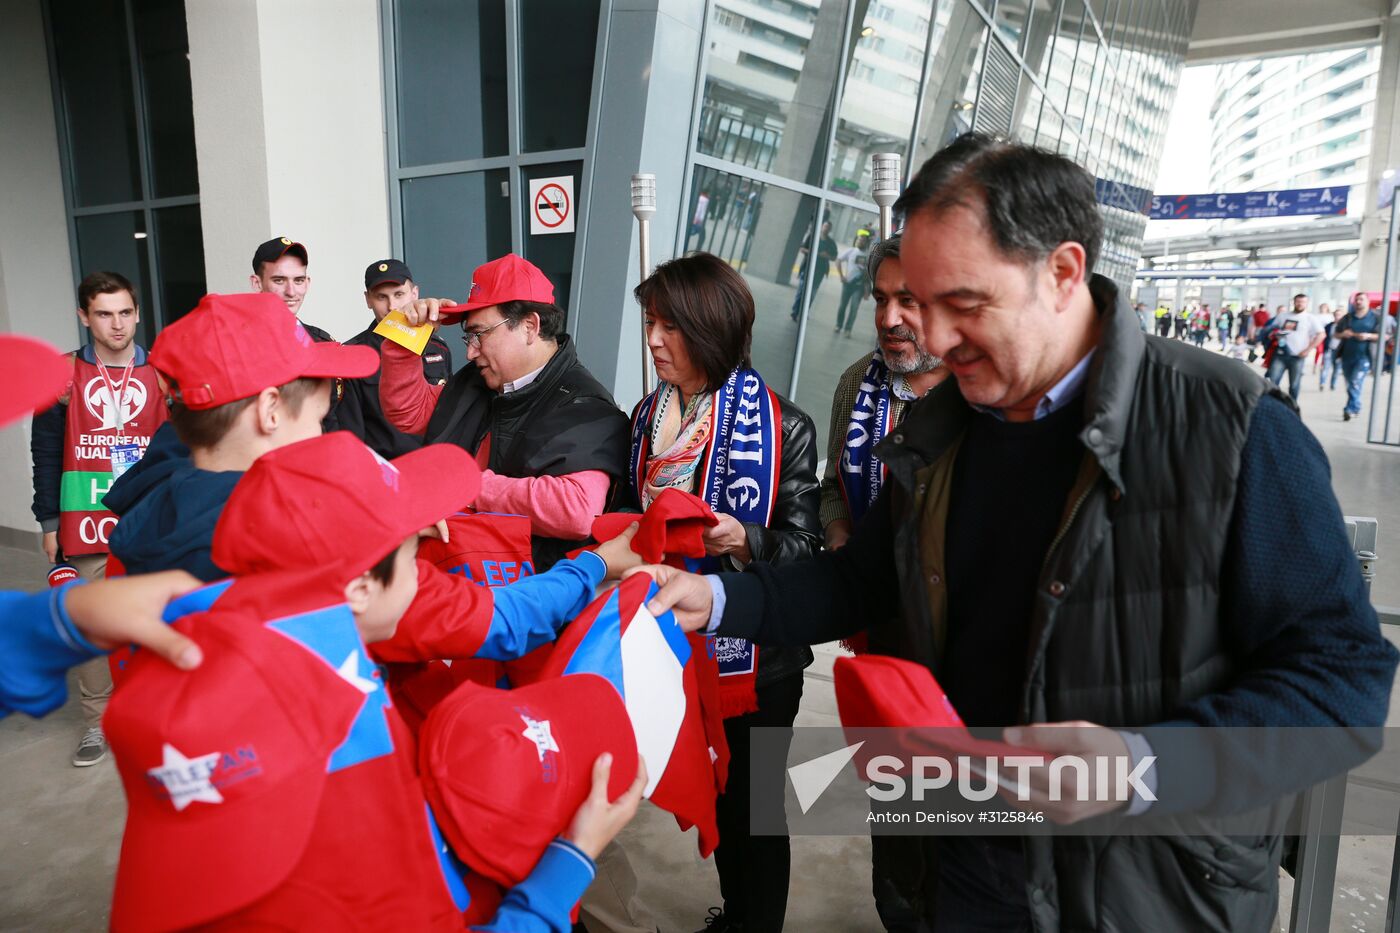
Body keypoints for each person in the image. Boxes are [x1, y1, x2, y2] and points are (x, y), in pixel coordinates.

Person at [630, 133, 1397, 933]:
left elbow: (1342, 679)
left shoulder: (1228, 428)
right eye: (919, 304)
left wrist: (1142, 767)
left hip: (1149, 889)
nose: (931, 335)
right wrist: (712, 597)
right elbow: (859, 580)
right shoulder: (941, 430)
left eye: (963, 304)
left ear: (1062, 272)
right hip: (962, 866)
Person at [103, 430, 647, 931]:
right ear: (360, 588)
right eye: (416, 557)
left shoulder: (238, 648)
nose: (427, 565)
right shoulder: (337, 784)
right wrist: (569, 865)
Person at [629, 252, 820, 933]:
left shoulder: (785, 427)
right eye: (650, 322)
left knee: (757, 812)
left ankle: (756, 919)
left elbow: (806, 551)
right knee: (716, 793)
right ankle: (738, 910)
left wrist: (745, 539)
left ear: (710, 328)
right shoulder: (648, 416)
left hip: (760, 662)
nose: (653, 339)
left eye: (668, 326)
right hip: (680, 647)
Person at [820, 234, 949, 929]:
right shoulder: (854, 385)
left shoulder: (975, 397)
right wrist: (840, 527)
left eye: (909, 300)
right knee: (895, 792)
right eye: (880, 298)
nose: (889, 317)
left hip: (952, 648)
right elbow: (828, 489)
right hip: (879, 638)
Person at [378, 254, 631, 569]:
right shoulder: (481, 380)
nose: (470, 351)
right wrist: (406, 334)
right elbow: (409, 414)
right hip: (455, 567)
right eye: (468, 337)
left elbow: (575, 509)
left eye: (479, 335)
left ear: (529, 327)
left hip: (526, 589)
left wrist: (463, 485)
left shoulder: (586, 405)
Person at [106, 293, 379, 581]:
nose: (321, 435)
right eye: (318, 418)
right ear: (269, 411)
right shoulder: (292, 553)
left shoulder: (138, 528)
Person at [29, 271, 169, 766]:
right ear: (84, 317)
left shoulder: (163, 371)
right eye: (104, 314)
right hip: (83, 517)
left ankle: (152, 712)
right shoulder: (62, 376)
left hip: (150, 517)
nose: (117, 324)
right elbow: (44, 452)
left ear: (137, 314)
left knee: (155, 616)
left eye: (125, 312)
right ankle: (98, 721)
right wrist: (48, 522)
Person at [339, 259, 455, 457]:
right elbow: (351, 437)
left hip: (433, 466)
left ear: (414, 294)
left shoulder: (438, 347)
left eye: (399, 295)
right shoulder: (351, 355)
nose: (392, 306)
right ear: (368, 300)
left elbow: (448, 415)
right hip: (386, 473)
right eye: (381, 297)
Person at [250, 237, 333, 341]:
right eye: (279, 280)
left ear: (307, 284)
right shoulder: (237, 342)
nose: (291, 292)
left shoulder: (321, 342)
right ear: (257, 283)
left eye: (298, 280)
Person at [1265, 293, 1325, 403]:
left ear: (1307, 303)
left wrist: (1308, 350)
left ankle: (1292, 407)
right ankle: (1273, 404)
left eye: (1303, 302)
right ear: (1294, 302)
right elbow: (1272, 329)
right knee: (1272, 382)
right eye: (1298, 301)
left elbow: (1321, 334)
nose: (1300, 304)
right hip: (1280, 354)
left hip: (1297, 357)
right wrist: (1273, 335)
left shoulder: (1310, 318)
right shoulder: (1283, 315)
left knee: (1294, 385)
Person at [1336, 292, 1384, 421]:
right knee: (1350, 384)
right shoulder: (1348, 317)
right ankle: (1356, 406)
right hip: (1347, 356)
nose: (1358, 302)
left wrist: (1368, 336)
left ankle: (1349, 409)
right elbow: (1336, 334)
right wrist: (1343, 334)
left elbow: (1385, 336)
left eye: (1361, 299)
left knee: (1355, 382)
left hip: (1365, 357)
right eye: (1356, 300)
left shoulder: (1376, 317)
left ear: (1368, 301)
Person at [790, 221, 838, 321]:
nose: (826, 229)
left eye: (828, 227)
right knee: (802, 290)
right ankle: (795, 312)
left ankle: (804, 312)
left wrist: (827, 256)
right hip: (806, 268)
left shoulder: (831, 242)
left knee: (811, 294)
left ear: (830, 230)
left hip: (819, 272)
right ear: (821, 227)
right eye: (825, 226)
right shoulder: (812, 236)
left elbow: (834, 257)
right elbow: (802, 248)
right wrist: (812, 252)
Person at [833, 230, 873, 336]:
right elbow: (838, 260)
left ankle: (848, 329)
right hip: (848, 284)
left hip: (859, 287)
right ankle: (838, 325)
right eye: (859, 239)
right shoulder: (851, 251)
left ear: (866, 242)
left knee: (854, 308)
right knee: (842, 306)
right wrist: (841, 276)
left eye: (863, 240)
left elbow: (869, 275)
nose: (860, 241)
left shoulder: (869, 255)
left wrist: (867, 291)